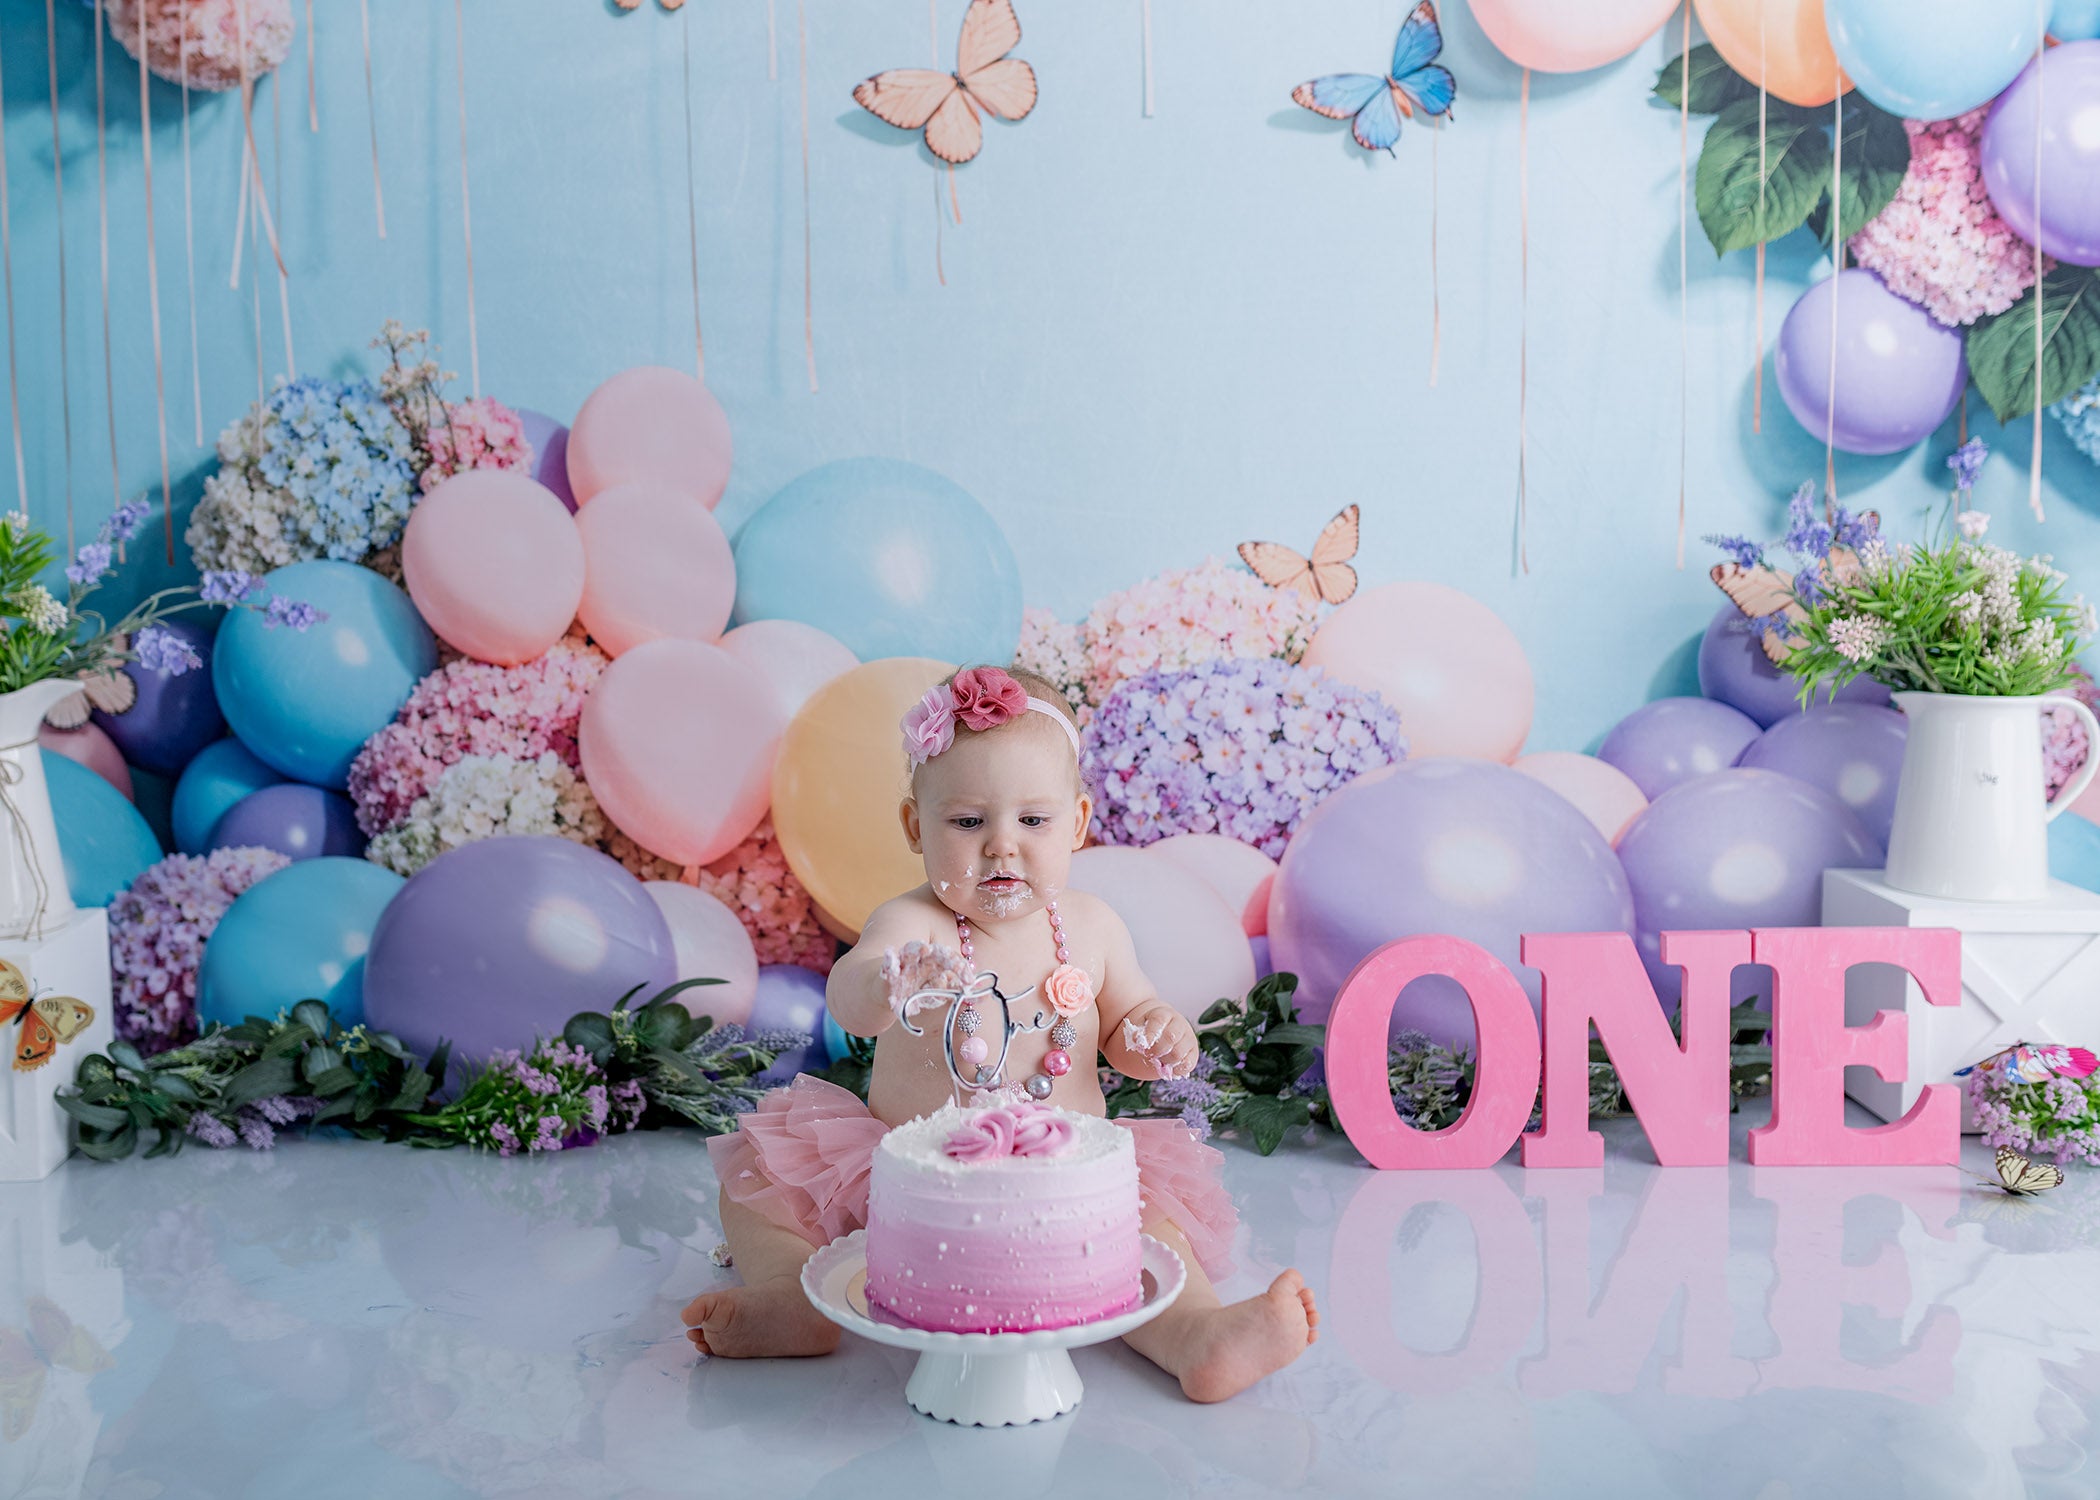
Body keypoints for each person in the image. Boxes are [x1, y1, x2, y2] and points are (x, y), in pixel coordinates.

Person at [682, 665, 1318, 1401]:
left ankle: (1196, 1335)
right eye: (967, 822)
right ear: (916, 828)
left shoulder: (1094, 928)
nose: (1001, 847)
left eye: (1033, 821)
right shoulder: (912, 923)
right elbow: (851, 999)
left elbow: (1124, 1027)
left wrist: (1153, 1035)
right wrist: (887, 981)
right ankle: (791, 1294)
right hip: (907, 1182)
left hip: (1069, 1180)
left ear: (1077, 823)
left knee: (1148, 1231)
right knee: (759, 1179)